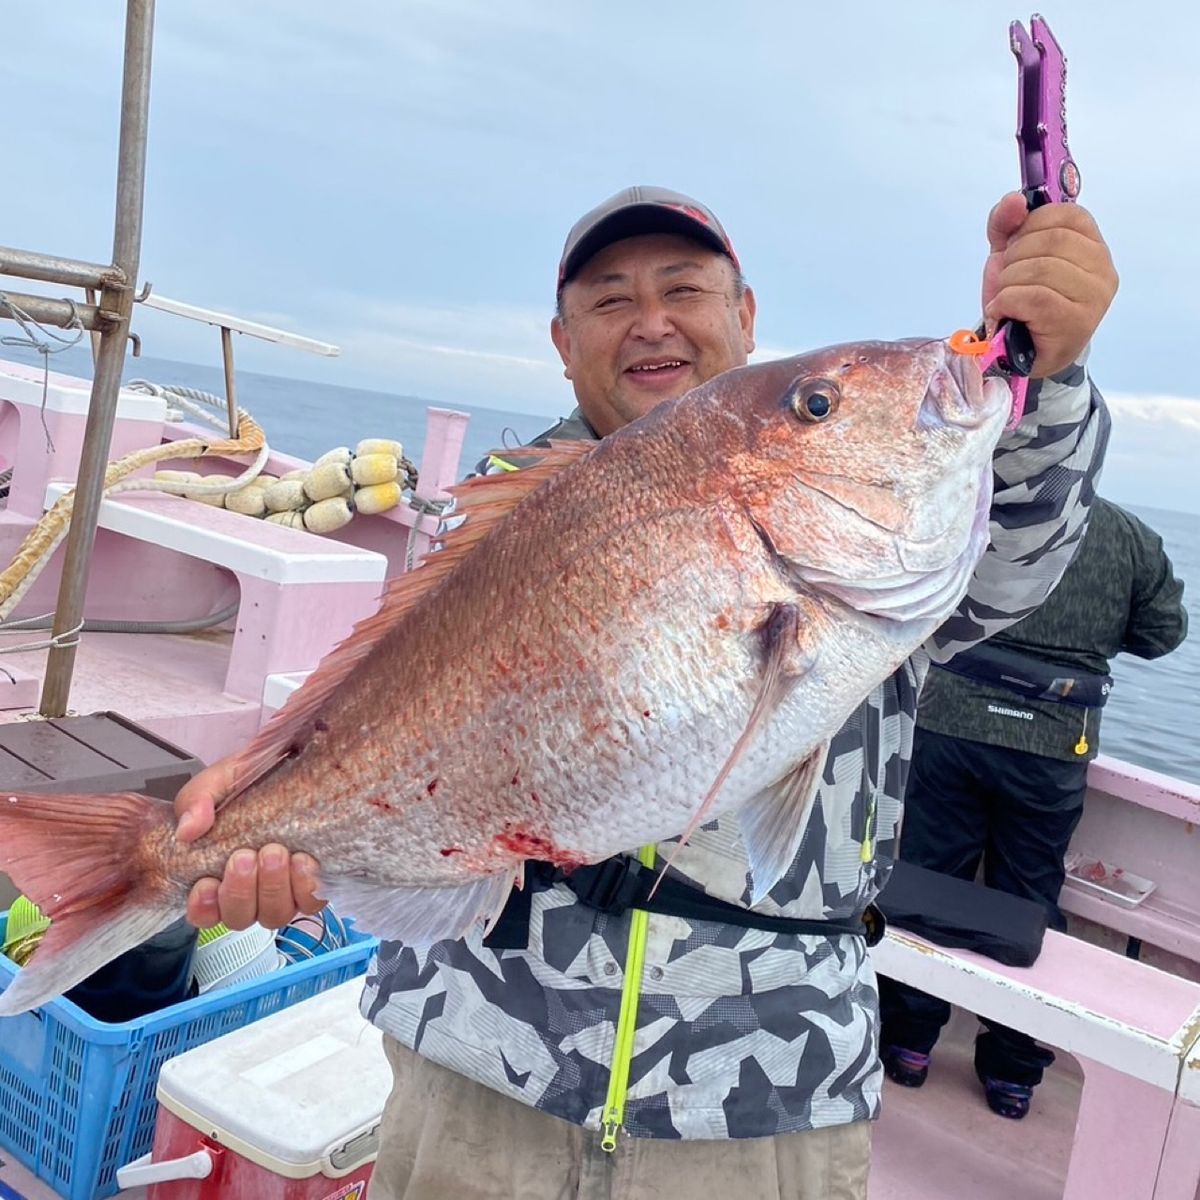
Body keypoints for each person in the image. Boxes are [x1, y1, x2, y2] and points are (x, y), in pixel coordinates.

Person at [172, 184, 1117, 1199]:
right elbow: (387, 694)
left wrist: (1046, 372)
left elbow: (1019, 555)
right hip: (476, 1083)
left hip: (765, 1108)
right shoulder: (504, 502)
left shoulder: (909, 553)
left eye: (683, 288)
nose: (652, 320)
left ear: (746, 316)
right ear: (562, 339)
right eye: (611, 298)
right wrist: (270, 791)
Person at [878, 496, 1188, 1120]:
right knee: (1031, 896)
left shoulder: (980, 508)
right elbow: (1163, 633)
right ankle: (1012, 1077)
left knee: (928, 879)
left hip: (952, 723)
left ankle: (907, 1047)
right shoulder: (1130, 537)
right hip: (1052, 743)